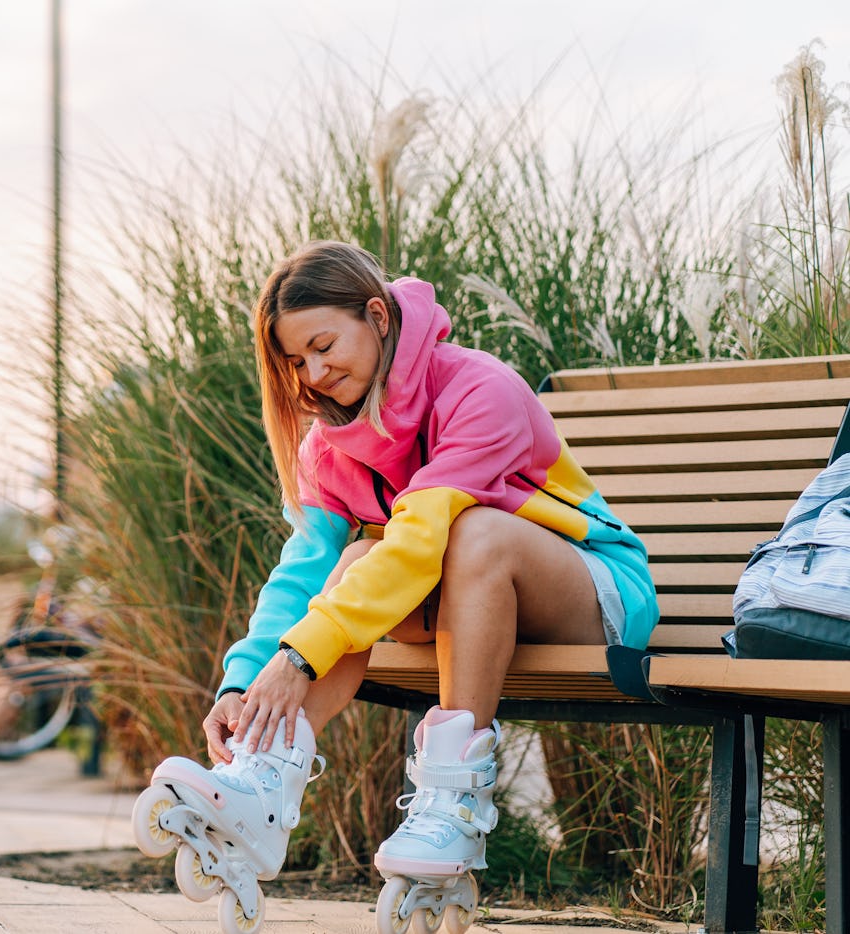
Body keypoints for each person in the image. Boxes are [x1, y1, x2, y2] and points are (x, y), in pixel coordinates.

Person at [132, 240, 658, 931]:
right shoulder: (329, 444)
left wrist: (301, 658)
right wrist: (246, 678)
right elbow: (305, 569)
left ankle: (450, 801)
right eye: (295, 361)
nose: (314, 374)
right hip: (466, 605)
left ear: (377, 316)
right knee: (353, 562)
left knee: (474, 531)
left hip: (589, 592)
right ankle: (264, 780)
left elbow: (417, 542)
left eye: (324, 345)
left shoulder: (479, 389)